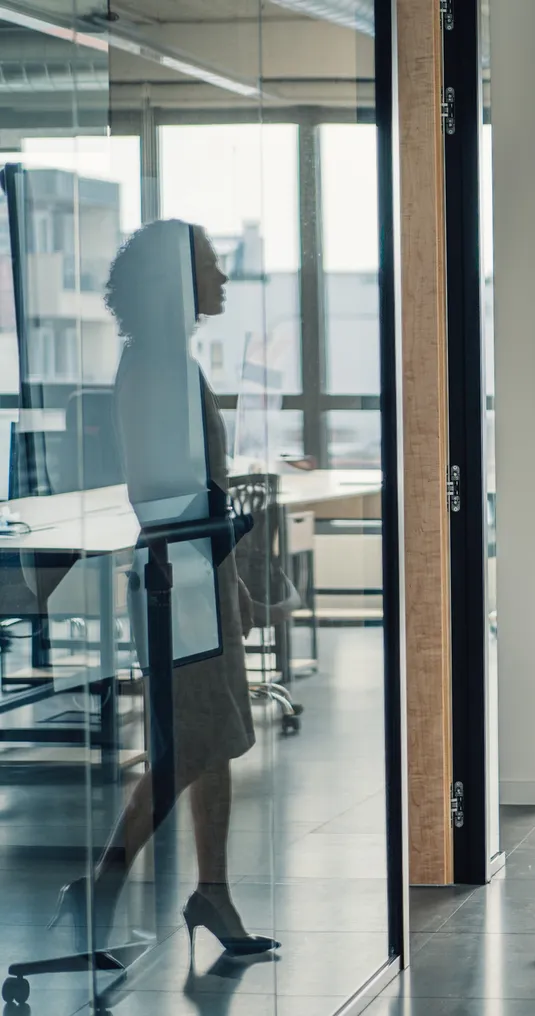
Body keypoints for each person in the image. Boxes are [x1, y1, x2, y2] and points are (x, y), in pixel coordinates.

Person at [52, 220, 277, 961]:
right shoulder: (157, 368)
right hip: (177, 582)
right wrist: (223, 531)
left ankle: (212, 891)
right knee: (187, 747)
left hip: (193, 577)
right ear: (176, 284)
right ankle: (106, 883)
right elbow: (162, 488)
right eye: (209, 268)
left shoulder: (168, 363)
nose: (220, 279)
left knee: (210, 743)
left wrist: (228, 560)